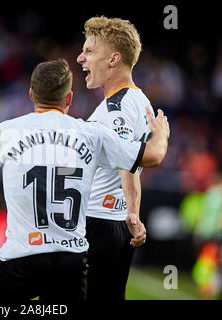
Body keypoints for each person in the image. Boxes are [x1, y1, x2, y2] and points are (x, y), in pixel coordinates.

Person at [0, 58, 169, 300]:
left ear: (31, 94)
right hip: (72, 262)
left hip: (22, 257)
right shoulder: (92, 133)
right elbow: (152, 156)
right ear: (69, 99)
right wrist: (161, 134)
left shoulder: (6, 131)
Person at [76, 16, 153, 300]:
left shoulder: (115, 108)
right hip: (115, 222)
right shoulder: (140, 100)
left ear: (113, 59)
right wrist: (132, 213)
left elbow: (125, 159)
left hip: (95, 223)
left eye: (90, 51)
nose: (81, 58)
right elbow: (130, 164)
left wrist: (131, 212)